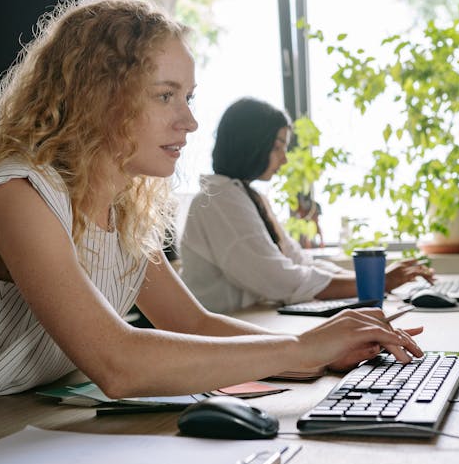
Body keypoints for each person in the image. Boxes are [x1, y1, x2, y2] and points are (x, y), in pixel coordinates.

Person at [0, 0, 423, 440]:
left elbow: (193, 325)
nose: (190, 122)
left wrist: (316, 349)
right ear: (98, 96)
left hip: (10, 432)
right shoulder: (19, 196)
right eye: (165, 96)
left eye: (189, 96)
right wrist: (300, 351)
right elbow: (117, 362)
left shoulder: (123, 206)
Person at [179, 97, 434, 314]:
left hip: (253, 320)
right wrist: (378, 282)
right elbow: (280, 280)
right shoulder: (218, 201)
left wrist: (376, 282)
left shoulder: (247, 196)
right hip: (227, 331)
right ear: (252, 143)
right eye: (278, 146)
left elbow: (298, 261)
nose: (285, 159)